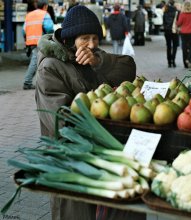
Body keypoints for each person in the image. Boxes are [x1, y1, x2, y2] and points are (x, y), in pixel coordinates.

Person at [35, 5, 136, 220]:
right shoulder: (50, 68)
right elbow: (60, 120)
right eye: (85, 38)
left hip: (99, 153)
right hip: (72, 159)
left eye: (95, 38)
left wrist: (99, 62)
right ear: (69, 40)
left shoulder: (92, 56)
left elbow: (128, 67)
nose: (91, 44)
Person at [22, 0, 54, 90]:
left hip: (31, 41)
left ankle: (46, 81)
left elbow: (23, 30)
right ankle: (27, 82)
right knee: (35, 61)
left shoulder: (29, 15)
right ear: (45, 6)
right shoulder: (44, 14)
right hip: (41, 41)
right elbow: (49, 28)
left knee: (40, 60)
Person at [176, 0, 191, 68]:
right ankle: (188, 59)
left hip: (183, 33)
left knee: (184, 48)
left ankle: (185, 64)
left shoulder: (182, 14)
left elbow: (179, 24)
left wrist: (176, 22)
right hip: (190, 32)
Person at [163, 0, 179, 68]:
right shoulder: (176, 12)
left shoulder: (165, 12)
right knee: (175, 46)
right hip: (174, 31)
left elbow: (164, 23)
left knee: (168, 46)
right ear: (174, 4)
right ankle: (173, 61)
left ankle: (169, 62)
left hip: (167, 31)